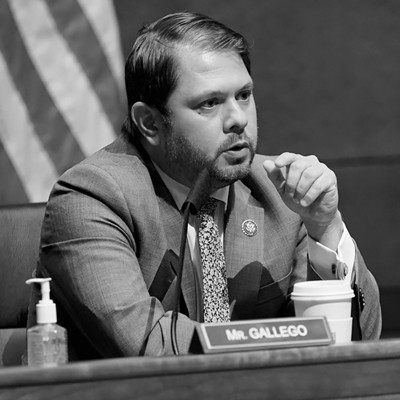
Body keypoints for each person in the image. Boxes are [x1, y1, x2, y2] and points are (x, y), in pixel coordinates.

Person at [27, 11, 381, 360]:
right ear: (149, 122)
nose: (238, 119)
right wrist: (279, 338)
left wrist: (326, 228)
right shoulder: (92, 197)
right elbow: (147, 346)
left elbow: (359, 341)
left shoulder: (278, 190)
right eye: (210, 103)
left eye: (243, 95)